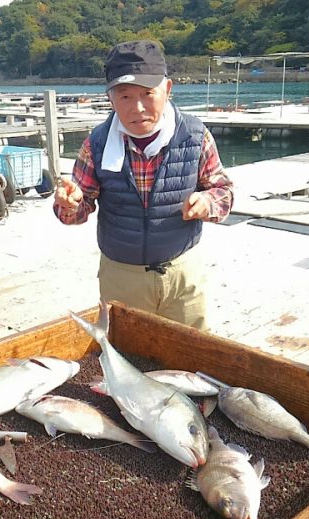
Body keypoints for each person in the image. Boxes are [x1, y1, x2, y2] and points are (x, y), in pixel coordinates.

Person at [53, 40, 233, 330]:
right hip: (121, 277)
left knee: (192, 360)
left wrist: (207, 202)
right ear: (110, 98)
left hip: (182, 275)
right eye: (124, 96)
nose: (137, 108)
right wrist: (69, 203)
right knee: (126, 357)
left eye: (148, 94)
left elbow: (224, 192)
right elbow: (77, 209)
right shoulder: (96, 145)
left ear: (168, 89)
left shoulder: (196, 136)